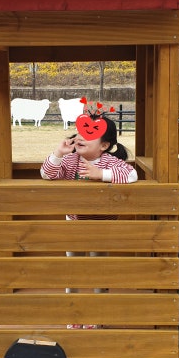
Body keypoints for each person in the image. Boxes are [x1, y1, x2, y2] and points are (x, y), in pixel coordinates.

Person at [40, 113, 137, 328]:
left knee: (97, 271)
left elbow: (131, 176)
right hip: (74, 225)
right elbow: (47, 174)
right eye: (81, 131)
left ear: (104, 145)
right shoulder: (70, 160)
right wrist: (58, 153)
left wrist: (100, 174)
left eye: (90, 134)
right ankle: (73, 315)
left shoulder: (110, 162)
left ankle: (96, 315)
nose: (82, 137)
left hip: (102, 227)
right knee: (72, 271)